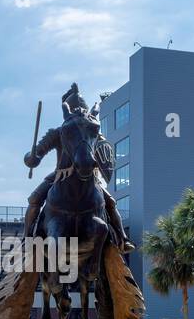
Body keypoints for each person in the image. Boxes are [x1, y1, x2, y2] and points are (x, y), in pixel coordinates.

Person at [22, 83, 134, 253]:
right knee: (34, 200)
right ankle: (28, 238)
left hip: (89, 176)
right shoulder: (59, 132)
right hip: (60, 175)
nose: (80, 111)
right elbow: (36, 155)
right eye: (78, 108)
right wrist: (31, 158)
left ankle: (122, 238)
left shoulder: (92, 132)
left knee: (110, 203)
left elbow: (104, 155)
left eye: (82, 108)